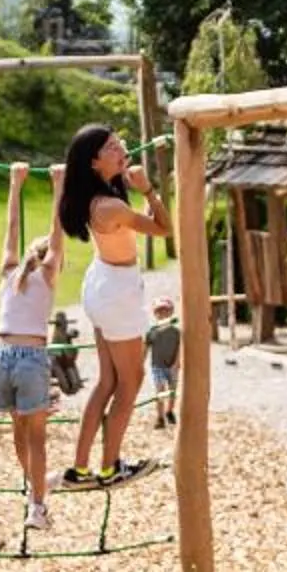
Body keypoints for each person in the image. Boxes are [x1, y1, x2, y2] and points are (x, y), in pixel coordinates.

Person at [59, 123, 171, 488]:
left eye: (118, 142)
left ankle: (79, 469)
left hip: (103, 283)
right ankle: (110, 468)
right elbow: (163, 228)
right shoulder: (111, 206)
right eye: (110, 147)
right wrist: (149, 190)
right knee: (131, 381)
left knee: (108, 380)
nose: (121, 148)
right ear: (94, 162)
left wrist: (129, 182)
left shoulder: (101, 196)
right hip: (117, 292)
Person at [0, 230, 65, 528]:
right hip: (31, 357)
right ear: (54, 262)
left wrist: (16, 184)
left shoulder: (9, 271)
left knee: (19, 430)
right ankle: (37, 506)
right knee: (37, 437)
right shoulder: (47, 276)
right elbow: (57, 230)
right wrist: (61, 187)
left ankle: (35, 483)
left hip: (1, 355)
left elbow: (10, 229)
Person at [145, 296, 182, 430]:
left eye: (166, 311)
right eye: (159, 312)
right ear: (155, 314)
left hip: (172, 365)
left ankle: (169, 411)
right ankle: (160, 417)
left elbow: (179, 347)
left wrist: (176, 363)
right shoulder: (152, 332)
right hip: (158, 366)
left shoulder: (176, 332)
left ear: (171, 313)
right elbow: (146, 348)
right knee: (160, 391)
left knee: (172, 390)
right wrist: (140, 365)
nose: (163, 314)